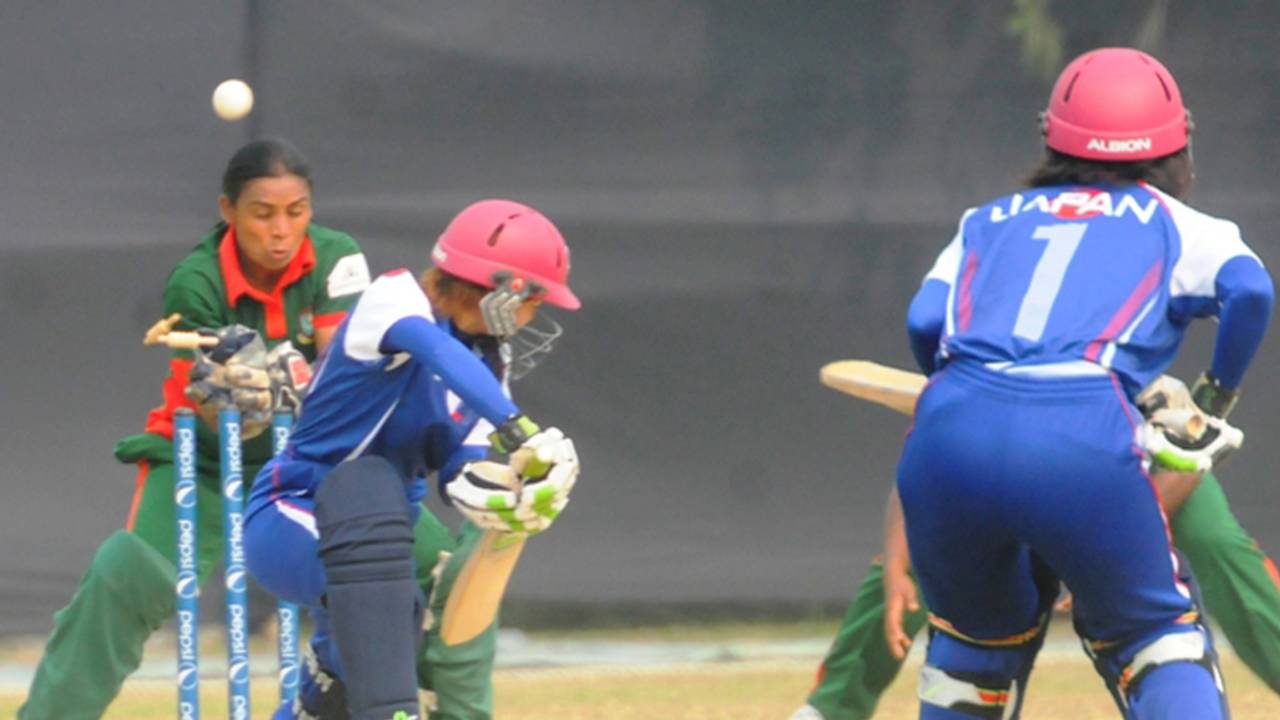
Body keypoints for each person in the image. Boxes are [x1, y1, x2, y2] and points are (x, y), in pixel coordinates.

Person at [875, 47, 1271, 720]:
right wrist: (1215, 396)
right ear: (1178, 145)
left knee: (970, 655)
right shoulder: (1178, 225)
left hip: (951, 432)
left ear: (1051, 135)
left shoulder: (986, 221)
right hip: (1081, 432)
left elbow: (923, 318)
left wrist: (958, 396)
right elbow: (1251, 292)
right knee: (1155, 641)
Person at [17, 138, 373, 719]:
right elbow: (215, 414)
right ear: (228, 211)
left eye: (296, 212)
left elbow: (343, 381)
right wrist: (241, 395)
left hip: (312, 460)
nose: (281, 231)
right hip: (203, 463)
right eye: (262, 214)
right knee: (124, 580)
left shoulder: (337, 258)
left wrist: (282, 383)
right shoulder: (196, 281)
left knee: (430, 567)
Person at [242, 198, 582, 720]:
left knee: (350, 677)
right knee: (386, 596)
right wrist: (522, 429)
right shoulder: (396, 298)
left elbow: (461, 469)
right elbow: (432, 350)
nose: (535, 316)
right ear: (504, 292)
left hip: (382, 537)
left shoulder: (492, 362)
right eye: (536, 301)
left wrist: (513, 493)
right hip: (295, 508)